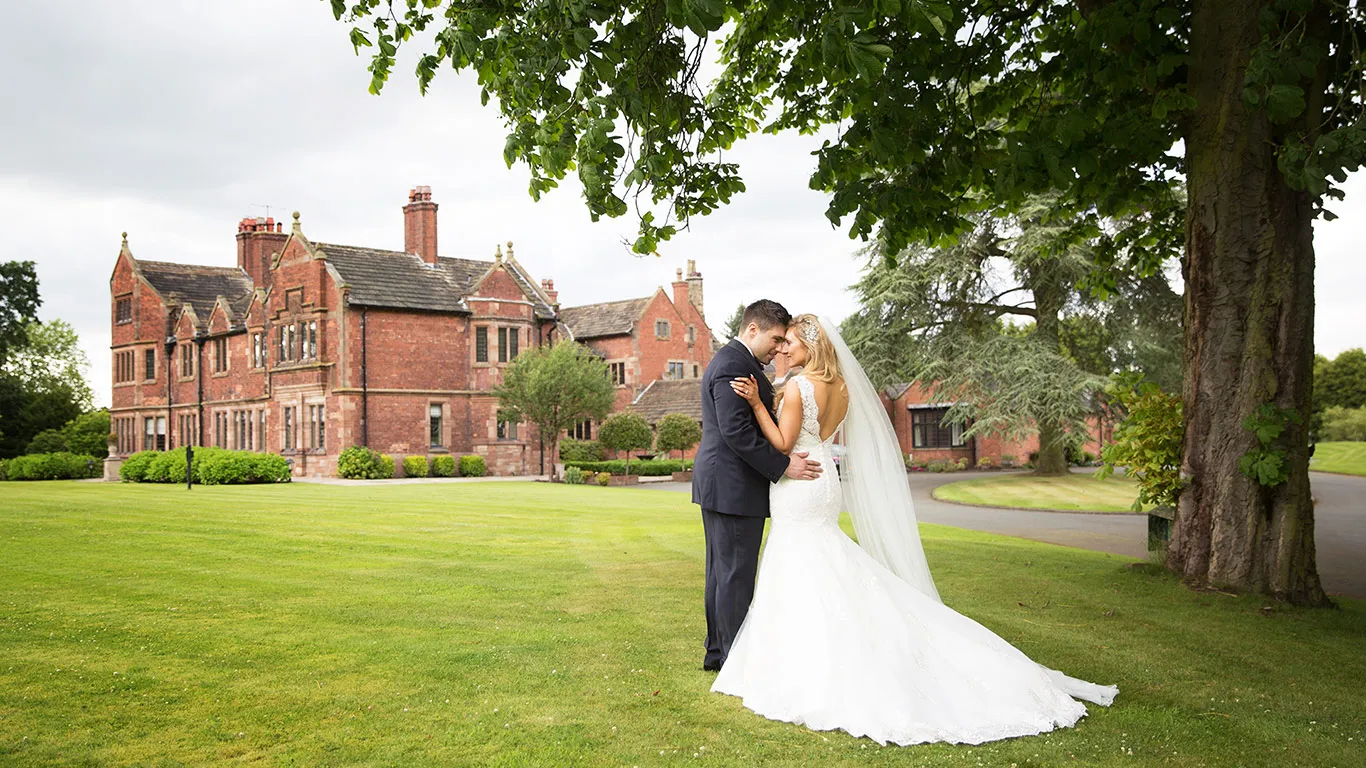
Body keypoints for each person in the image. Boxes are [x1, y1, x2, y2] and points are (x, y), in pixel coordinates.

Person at [711, 313, 1118, 746]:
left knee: (799, 560)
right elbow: (819, 433)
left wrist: (758, 403)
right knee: (821, 557)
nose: (784, 349)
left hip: (799, 480)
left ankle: (802, 663)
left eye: (790, 342)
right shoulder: (842, 389)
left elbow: (783, 444)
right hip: (824, 479)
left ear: (812, 346)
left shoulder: (797, 387)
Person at [692, 299, 823, 672]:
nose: (779, 348)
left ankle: (719, 653)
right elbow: (736, 432)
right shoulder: (733, 365)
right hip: (732, 486)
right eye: (776, 339)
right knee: (734, 574)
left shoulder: (740, 362)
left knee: (722, 572)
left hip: (724, 484)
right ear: (753, 329)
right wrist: (783, 466)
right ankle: (733, 659)